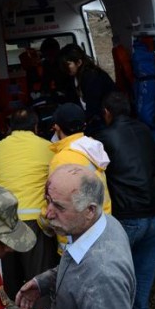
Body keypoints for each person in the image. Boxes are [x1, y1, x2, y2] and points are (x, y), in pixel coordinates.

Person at [16, 164, 136, 309]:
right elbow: (77, 267)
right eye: (48, 200)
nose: (48, 213)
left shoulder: (103, 276)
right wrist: (42, 282)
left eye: (59, 207)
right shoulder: (101, 224)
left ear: (89, 210)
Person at [94, 91, 155, 309]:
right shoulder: (145, 130)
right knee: (145, 268)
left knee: (115, 272)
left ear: (106, 113)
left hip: (128, 216)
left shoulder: (103, 137)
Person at [0, 107, 59, 299]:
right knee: (38, 281)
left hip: (4, 222)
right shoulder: (47, 148)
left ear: (10, 127)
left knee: (11, 280)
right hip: (33, 222)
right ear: (36, 127)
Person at [39, 102, 112, 254]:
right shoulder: (92, 148)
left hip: (77, 234)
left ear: (57, 127)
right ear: (84, 124)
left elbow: (55, 200)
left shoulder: (62, 158)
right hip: (101, 222)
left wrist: (43, 221)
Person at [58, 44, 116, 135]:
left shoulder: (92, 76)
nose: (65, 68)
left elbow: (93, 105)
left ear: (79, 62)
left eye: (68, 64)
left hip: (104, 119)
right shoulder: (75, 77)